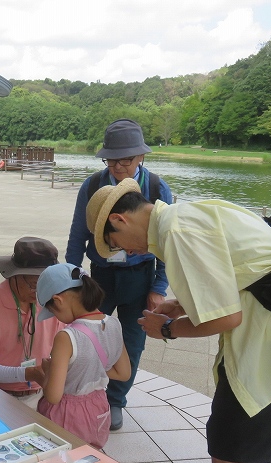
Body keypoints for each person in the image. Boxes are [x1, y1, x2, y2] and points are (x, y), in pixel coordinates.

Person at [85, 178, 271, 463]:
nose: (127, 251)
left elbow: (226, 318)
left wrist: (167, 328)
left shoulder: (176, 231)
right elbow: (239, 273)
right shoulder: (187, 215)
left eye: (114, 243)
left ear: (118, 219)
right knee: (230, 444)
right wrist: (182, 305)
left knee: (229, 449)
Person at [65, 118, 173, 431]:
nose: (118, 167)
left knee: (132, 341)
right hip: (101, 274)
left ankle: (115, 400)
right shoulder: (92, 185)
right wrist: (72, 277)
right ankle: (81, 390)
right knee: (86, 333)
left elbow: (166, 241)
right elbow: (78, 233)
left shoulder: (157, 188)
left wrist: (159, 287)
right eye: (111, 160)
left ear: (141, 157)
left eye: (125, 160)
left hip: (140, 276)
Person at [35, 263, 130, 448]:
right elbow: (123, 373)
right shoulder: (114, 324)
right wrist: (86, 368)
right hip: (98, 407)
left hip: (66, 414)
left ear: (58, 300)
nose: (56, 317)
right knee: (90, 455)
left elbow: (53, 396)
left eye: (53, 312)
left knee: (63, 458)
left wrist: (48, 372)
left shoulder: (66, 337)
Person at [0, 237, 62, 409]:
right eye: (34, 285)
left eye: (46, 284)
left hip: (44, 394)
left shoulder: (52, 300)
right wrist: (28, 373)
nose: (40, 292)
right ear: (15, 275)